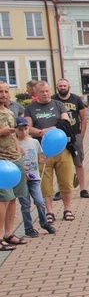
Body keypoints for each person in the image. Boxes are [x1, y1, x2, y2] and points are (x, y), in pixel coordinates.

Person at [24, 81, 75, 223]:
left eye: (47, 91)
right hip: (41, 150)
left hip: (62, 148)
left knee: (66, 180)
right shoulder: (30, 108)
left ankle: (67, 209)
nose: (45, 94)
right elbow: (27, 128)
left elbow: (65, 123)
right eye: (42, 92)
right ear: (36, 93)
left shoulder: (58, 105)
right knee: (45, 182)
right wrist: (42, 132)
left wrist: (49, 130)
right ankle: (49, 211)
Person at [16, 117, 56, 237]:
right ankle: (28, 228)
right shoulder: (15, 144)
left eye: (26, 129)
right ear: (16, 130)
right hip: (21, 178)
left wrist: (44, 160)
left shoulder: (34, 142)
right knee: (25, 204)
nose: (24, 132)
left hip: (34, 177)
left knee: (39, 201)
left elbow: (38, 158)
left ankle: (44, 222)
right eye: (20, 129)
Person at [52, 78, 89, 198]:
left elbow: (83, 118)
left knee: (78, 162)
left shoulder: (76, 99)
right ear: (57, 87)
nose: (62, 88)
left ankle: (83, 189)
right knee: (59, 163)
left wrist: (81, 134)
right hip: (59, 135)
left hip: (74, 133)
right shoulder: (53, 99)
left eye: (64, 85)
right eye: (60, 86)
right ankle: (59, 190)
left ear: (69, 87)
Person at [0, 102, 28, 250]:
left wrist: (19, 155)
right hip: (1, 162)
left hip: (14, 159)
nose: (3, 94)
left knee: (13, 198)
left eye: (5, 91)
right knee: (3, 199)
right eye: (0, 91)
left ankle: (8, 234)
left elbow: (14, 137)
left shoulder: (10, 112)